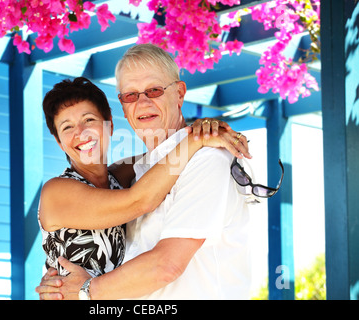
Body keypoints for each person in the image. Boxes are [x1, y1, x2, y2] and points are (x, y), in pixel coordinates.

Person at [36, 44, 252, 300]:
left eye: (154, 90)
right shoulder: (67, 190)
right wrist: (194, 138)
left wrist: (200, 133)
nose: (142, 102)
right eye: (130, 95)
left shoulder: (201, 160)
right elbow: (141, 198)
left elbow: (166, 265)